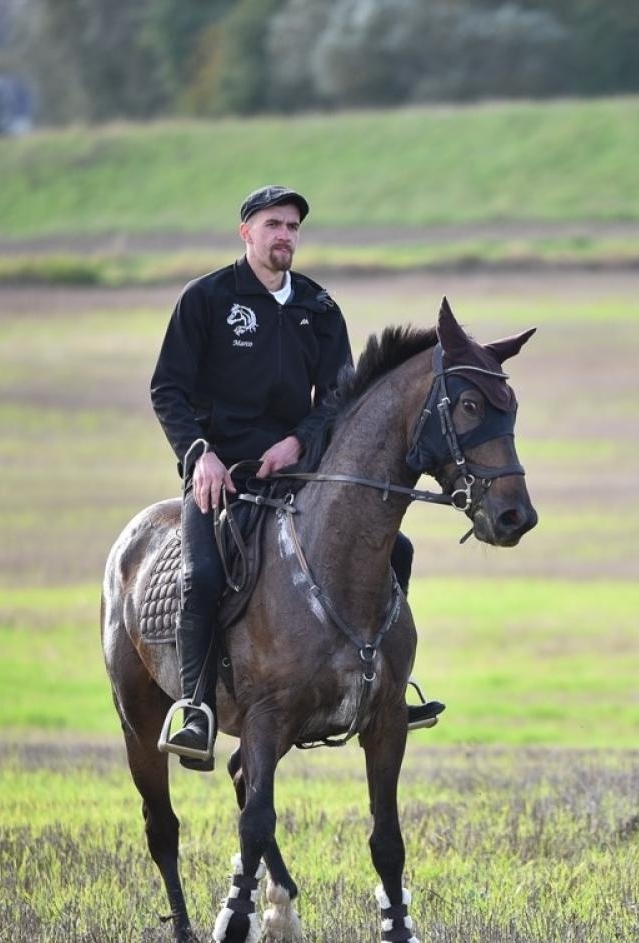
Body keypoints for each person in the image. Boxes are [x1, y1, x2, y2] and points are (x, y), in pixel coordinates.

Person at [149, 185, 443, 770]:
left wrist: (298, 442)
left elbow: (338, 398)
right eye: (273, 224)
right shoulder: (205, 299)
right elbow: (168, 390)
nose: (284, 235)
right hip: (222, 478)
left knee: (397, 550)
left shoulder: (319, 306)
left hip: (300, 473)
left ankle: (387, 687)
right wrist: (199, 454)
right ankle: (195, 709)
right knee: (202, 575)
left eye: (292, 227)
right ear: (246, 233)